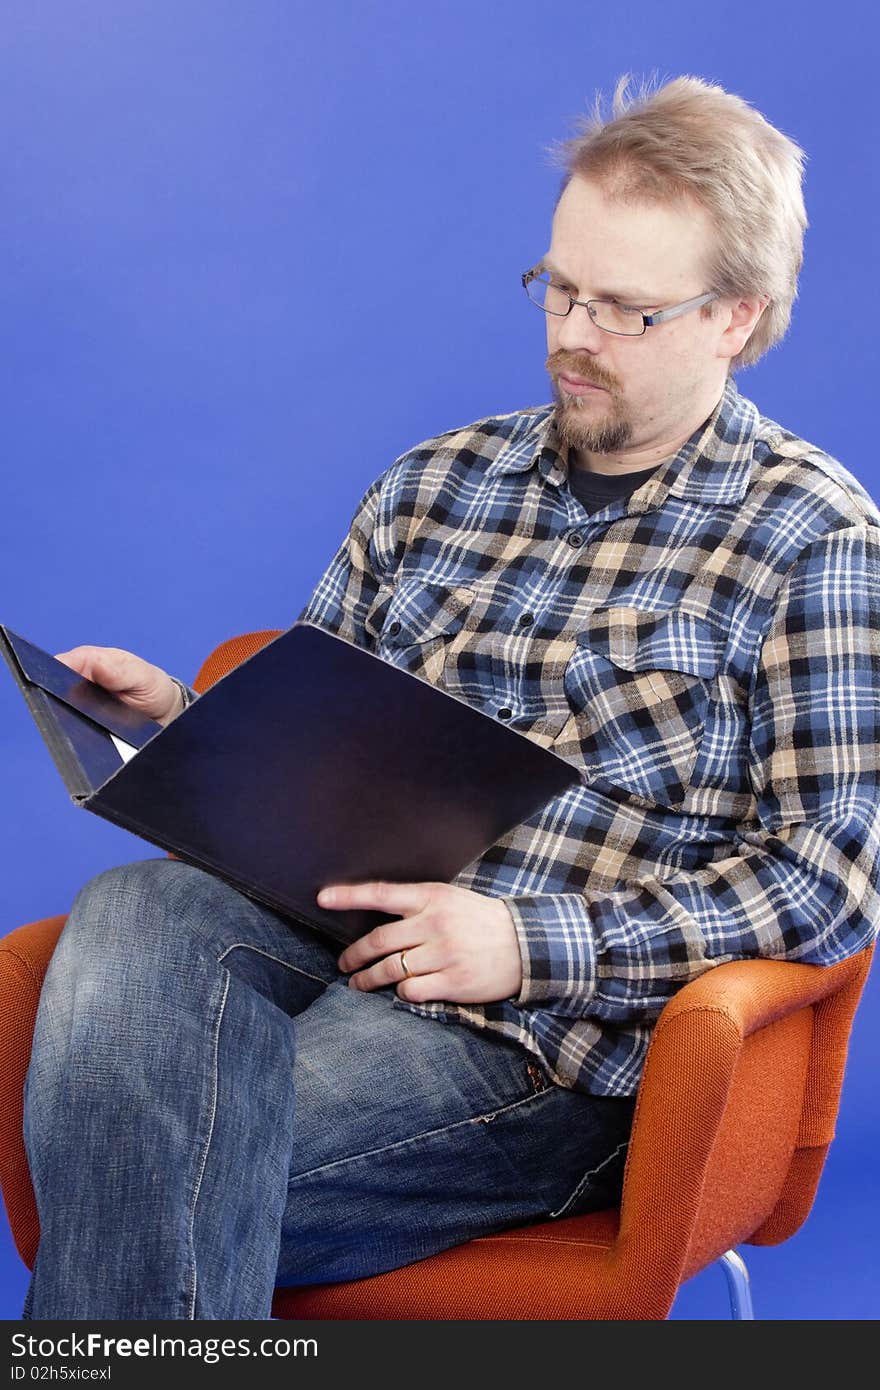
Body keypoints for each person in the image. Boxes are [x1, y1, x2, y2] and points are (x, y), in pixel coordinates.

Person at [20, 73, 880, 1321]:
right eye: (560, 288)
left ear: (733, 319)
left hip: (546, 1043)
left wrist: (525, 943)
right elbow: (316, 732)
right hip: (332, 936)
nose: (572, 335)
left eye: (624, 311)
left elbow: (831, 875)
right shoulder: (438, 481)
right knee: (133, 909)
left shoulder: (813, 538)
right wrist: (182, 733)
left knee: (141, 1154)